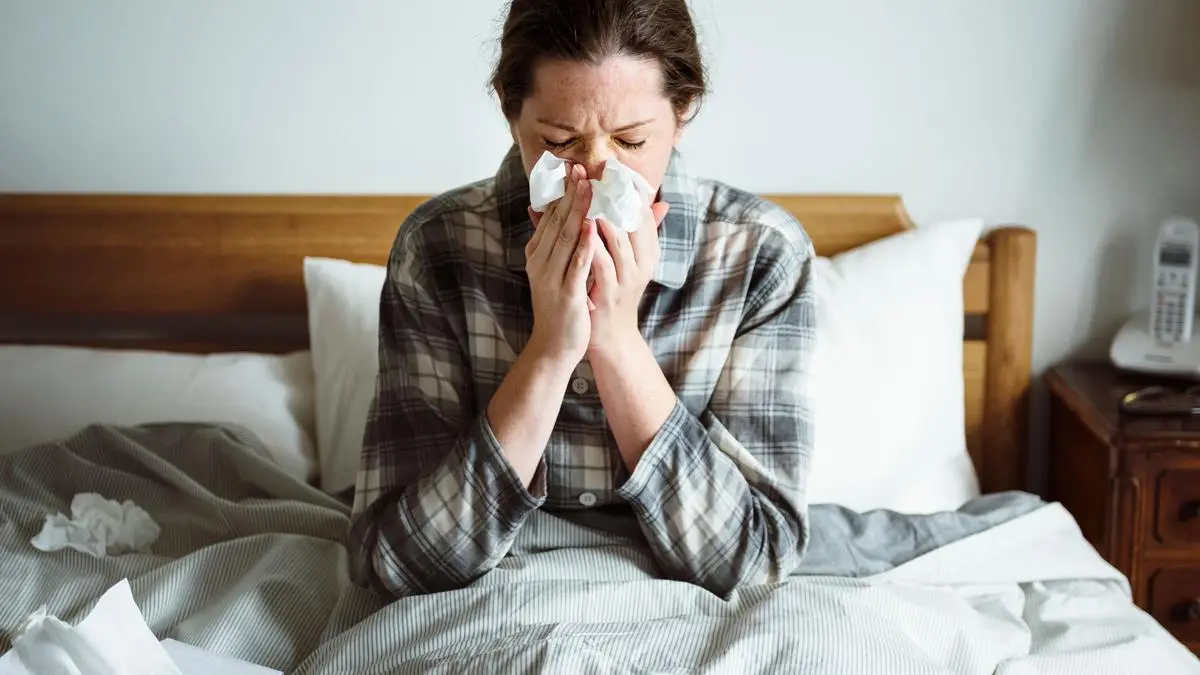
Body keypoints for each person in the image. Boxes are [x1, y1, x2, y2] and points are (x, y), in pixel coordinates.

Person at [349, 0, 815, 600]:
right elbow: (394, 564)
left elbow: (755, 561)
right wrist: (550, 350)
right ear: (511, 112)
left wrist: (616, 341)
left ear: (682, 114)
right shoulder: (438, 248)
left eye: (631, 141)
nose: (595, 176)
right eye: (560, 142)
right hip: (496, 600)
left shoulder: (760, 255)